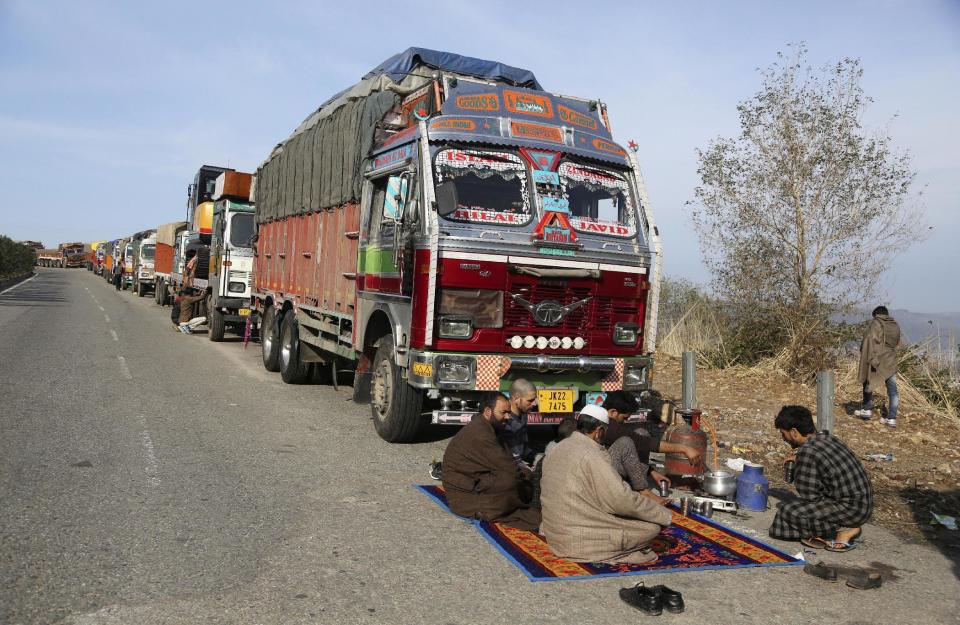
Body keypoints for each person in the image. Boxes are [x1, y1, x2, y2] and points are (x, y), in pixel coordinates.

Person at [540, 404, 673, 564]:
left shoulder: (556, 448)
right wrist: (662, 514)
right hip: (575, 540)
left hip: (553, 531)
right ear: (599, 431)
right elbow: (621, 500)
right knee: (652, 528)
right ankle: (617, 550)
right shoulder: (593, 455)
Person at [770, 405, 873, 552]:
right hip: (864, 504)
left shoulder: (807, 452)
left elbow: (810, 497)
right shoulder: (827, 437)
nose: (783, 438)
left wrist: (798, 467)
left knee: (787, 512)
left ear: (794, 432)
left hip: (852, 510)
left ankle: (843, 529)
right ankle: (842, 528)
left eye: (783, 433)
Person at [441, 392, 541, 530]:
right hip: (465, 497)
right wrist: (529, 476)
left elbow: (508, 460)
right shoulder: (481, 434)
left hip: (477, 481)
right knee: (511, 483)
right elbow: (509, 468)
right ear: (488, 412)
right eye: (503, 412)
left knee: (519, 479)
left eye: (509, 412)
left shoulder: (490, 427)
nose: (508, 417)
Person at [602, 391, 703, 489]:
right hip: (604, 474)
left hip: (611, 465)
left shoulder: (608, 421)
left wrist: (652, 472)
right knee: (629, 441)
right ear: (613, 412)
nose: (626, 421)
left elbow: (634, 450)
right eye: (624, 418)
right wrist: (684, 448)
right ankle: (641, 489)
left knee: (641, 432)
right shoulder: (608, 426)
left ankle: (637, 482)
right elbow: (643, 443)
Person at [856, 306, 901, 427]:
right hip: (891, 360)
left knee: (868, 381)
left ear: (876, 314)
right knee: (893, 390)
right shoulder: (895, 325)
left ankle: (866, 409)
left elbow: (869, 339)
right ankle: (891, 418)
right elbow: (897, 342)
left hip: (878, 359)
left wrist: (867, 355)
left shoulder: (876, 322)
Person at [500, 379, 537, 465]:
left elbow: (523, 448)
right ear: (516, 399)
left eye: (535, 399)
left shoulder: (523, 414)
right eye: (530, 400)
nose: (535, 403)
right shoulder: (504, 420)